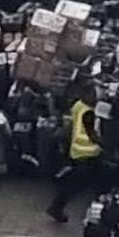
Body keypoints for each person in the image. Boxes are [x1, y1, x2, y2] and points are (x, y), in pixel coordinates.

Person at [46, 83, 103, 223]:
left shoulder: (78, 105)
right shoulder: (88, 113)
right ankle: (56, 207)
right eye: (95, 96)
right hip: (86, 152)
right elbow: (92, 135)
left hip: (78, 151)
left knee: (87, 181)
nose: (97, 98)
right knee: (77, 184)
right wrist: (104, 145)